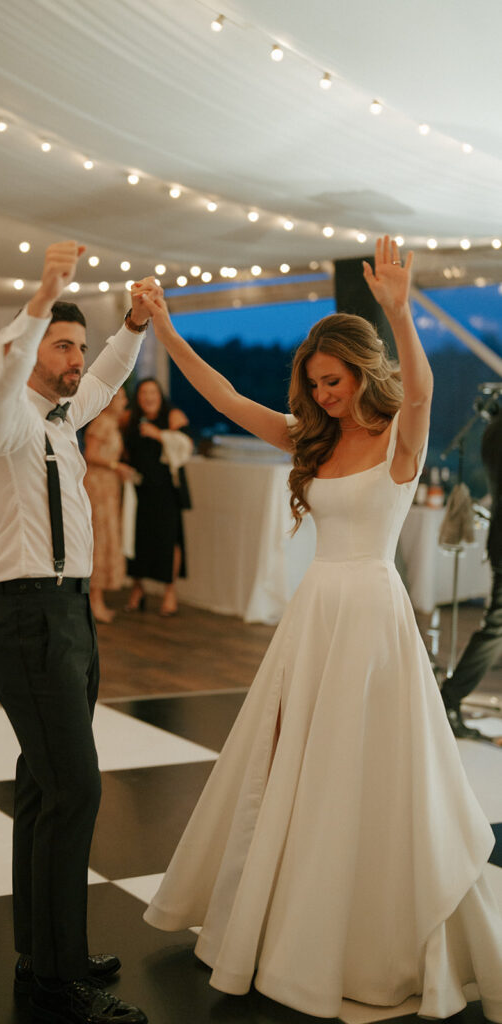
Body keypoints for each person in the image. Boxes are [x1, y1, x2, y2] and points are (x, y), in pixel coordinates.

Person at [140, 237, 502, 1022]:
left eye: (333, 382)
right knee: (290, 767)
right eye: (314, 385)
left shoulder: (398, 442)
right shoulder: (312, 439)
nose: (324, 395)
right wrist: (167, 337)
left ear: (361, 373)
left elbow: (423, 395)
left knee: (367, 772)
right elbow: (229, 399)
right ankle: (282, 918)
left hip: (372, 617)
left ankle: (362, 930)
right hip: (314, 618)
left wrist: (402, 314)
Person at [0, 241, 154, 1024]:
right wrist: (43, 294)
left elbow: (110, 376)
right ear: (34, 348)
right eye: (64, 345)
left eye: (80, 343)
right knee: (75, 789)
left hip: (69, 616)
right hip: (28, 619)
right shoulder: (1, 422)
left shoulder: (61, 418)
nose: (78, 358)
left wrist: (133, 325)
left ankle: (38, 951)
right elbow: (5, 369)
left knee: (45, 790)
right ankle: (60, 973)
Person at [440, 405, 502, 738]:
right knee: (497, 626)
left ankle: (449, 698)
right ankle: (449, 699)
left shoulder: (495, 430)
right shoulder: (498, 431)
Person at [123, 377, 191, 617]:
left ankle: (169, 592)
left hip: (166, 492)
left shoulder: (172, 418)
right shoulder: (130, 421)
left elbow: (185, 448)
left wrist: (159, 434)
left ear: (160, 396)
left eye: (153, 392)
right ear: (138, 398)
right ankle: (137, 589)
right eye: (143, 393)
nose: (148, 397)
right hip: (139, 490)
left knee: (169, 540)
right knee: (138, 540)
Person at [84, 388, 135, 622]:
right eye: (122, 397)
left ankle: (97, 598)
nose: (125, 401)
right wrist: (116, 466)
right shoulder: (102, 423)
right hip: (97, 486)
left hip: (108, 487)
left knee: (105, 540)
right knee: (100, 539)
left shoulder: (111, 423)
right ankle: (94, 600)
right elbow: (90, 454)